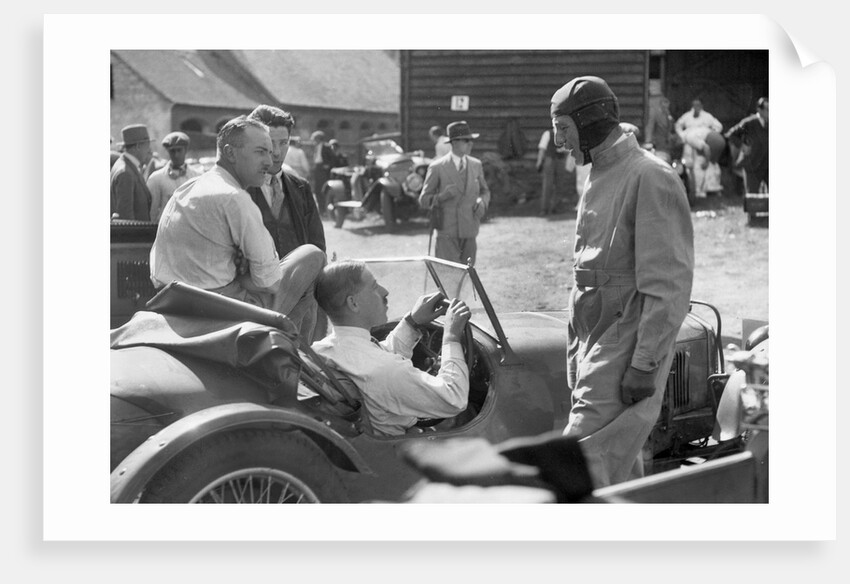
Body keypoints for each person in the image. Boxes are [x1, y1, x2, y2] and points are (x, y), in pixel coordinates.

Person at [550, 76, 694, 488]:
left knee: (579, 456)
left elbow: (667, 285)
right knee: (615, 459)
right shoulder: (602, 169)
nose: (559, 142)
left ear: (589, 121)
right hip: (589, 328)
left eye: (563, 129)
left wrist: (644, 363)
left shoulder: (650, 176)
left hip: (624, 332)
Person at [150, 115, 325, 338]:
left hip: (177, 303)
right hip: (227, 311)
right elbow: (269, 282)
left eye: (270, 153)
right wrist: (242, 277)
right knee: (313, 255)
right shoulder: (234, 198)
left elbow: (158, 268)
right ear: (230, 152)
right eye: (260, 151)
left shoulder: (187, 189)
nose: (270, 162)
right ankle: (297, 356)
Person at [311, 260, 471, 437]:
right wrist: (451, 337)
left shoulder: (321, 349)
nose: (384, 291)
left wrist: (411, 323)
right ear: (353, 303)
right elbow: (454, 398)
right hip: (394, 454)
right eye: (374, 286)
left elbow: (375, 359)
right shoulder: (382, 370)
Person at [246, 104, 327, 342]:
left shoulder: (300, 187)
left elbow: (317, 245)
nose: (278, 152)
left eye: (284, 142)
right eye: (271, 143)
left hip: (303, 304)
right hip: (259, 306)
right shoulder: (239, 189)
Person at [418, 121, 491, 266]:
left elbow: (485, 191)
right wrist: (442, 196)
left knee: (468, 276)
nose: (471, 144)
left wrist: (482, 202)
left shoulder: (476, 165)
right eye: (467, 141)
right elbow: (424, 200)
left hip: (470, 229)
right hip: (447, 232)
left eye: (471, 141)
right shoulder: (437, 167)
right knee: (448, 277)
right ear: (455, 143)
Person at [146, 131, 202, 223]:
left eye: (179, 150)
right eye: (172, 151)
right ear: (168, 151)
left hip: (190, 228)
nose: (176, 155)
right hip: (166, 228)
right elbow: (152, 210)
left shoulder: (197, 176)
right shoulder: (156, 178)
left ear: (186, 150)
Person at [675, 98, 724, 198]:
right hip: (691, 143)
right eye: (694, 105)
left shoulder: (707, 116)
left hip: (704, 141)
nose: (695, 107)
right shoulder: (687, 116)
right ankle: (694, 188)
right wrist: (681, 134)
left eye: (698, 105)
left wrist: (710, 134)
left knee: (706, 164)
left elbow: (718, 126)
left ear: (701, 106)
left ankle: (709, 188)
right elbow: (678, 125)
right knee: (689, 165)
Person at [724, 97, 769, 194]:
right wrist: (742, 145)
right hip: (752, 164)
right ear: (759, 110)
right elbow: (731, 135)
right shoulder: (749, 123)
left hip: (768, 164)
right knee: (752, 196)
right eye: (767, 110)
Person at [110, 124, 154, 220]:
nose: (149, 150)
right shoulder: (125, 173)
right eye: (147, 144)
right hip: (133, 235)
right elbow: (126, 220)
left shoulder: (127, 166)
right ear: (138, 146)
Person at [535, 128, 569, 215]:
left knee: (560, 184)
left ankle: (556, 208)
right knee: (547, 184)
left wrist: (564, 150)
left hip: (561, 159)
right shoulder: (548, 133)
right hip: (550, 159)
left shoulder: (566, 135)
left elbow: (568, 149)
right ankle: (544, 209)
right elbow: (542, 148)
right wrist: (539, 161)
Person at [643, 95, 676, 164]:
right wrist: (648, 141)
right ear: (660, 104)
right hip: (658, 144)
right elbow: (650, 127)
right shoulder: (655, 114)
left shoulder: (668, 114)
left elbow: (670, 127)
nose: (665, 107)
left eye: (667, 104)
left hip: (667, 145)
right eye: (664, 104)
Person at [310, 130, 335, 214]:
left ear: (318, 138)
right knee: (316, 189)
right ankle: (321, 210)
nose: (313, 141)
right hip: (317, 168)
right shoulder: (316, 147)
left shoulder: (326, 146)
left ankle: (325, 209)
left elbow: (332, 158)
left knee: (323, 189)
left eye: (314, 139)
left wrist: (327, 165)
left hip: (323, 169)